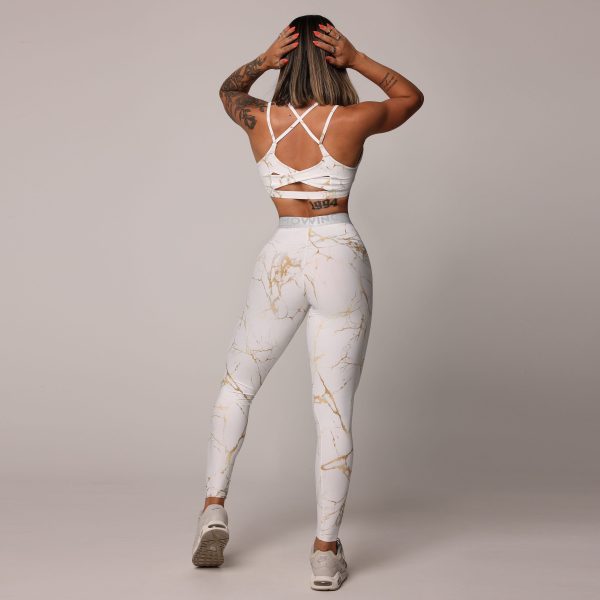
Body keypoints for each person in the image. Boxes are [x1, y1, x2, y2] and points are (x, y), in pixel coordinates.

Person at [192, 14, 424, 591]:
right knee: (333, 408)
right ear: (332, 60)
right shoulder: (352, 119)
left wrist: (261, 59)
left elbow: (227, 90)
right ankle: (324, 553)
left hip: (284, 251)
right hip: (338, 250)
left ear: (284, 60)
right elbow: (409, 97)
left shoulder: (259, 118)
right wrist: (358, 58)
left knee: (238, 383)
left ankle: (214, 509)